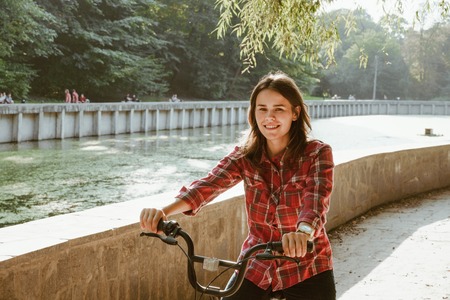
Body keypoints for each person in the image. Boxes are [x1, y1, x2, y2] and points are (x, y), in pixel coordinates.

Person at [140, 71, 336, 300]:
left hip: (306, 264)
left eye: (278, 109)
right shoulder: (245, 156)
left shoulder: (317, 153)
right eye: (262, 109)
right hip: (257, 264)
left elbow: (316, 200)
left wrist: (303, 234)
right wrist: (162, 212)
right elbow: (209, 185)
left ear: (295, 112)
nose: (269, 117)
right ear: (253, 113)